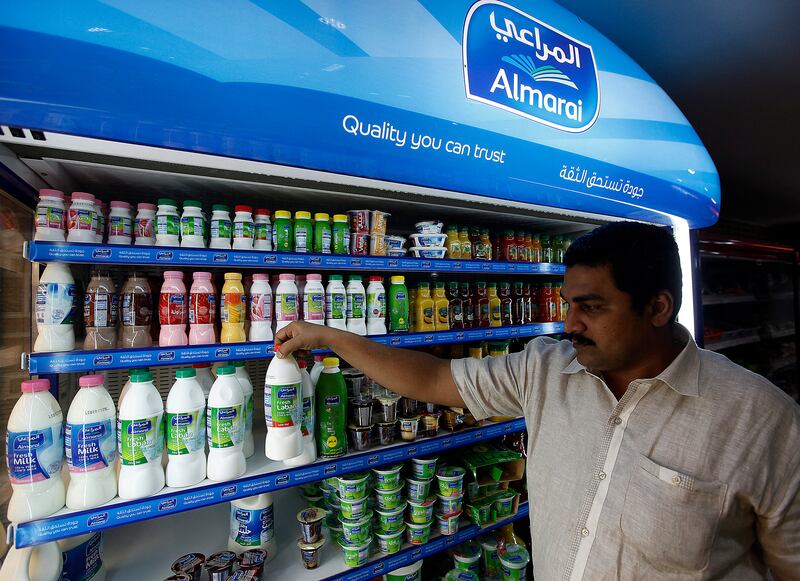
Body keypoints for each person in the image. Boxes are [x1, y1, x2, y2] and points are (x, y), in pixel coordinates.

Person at [275, 222, 800, 579]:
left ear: (657, 307)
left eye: (591, 307)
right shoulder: (546, 369)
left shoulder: (761, 421)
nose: (570, 323)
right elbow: (435, 379)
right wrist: (333, 338)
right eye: (569, 303)